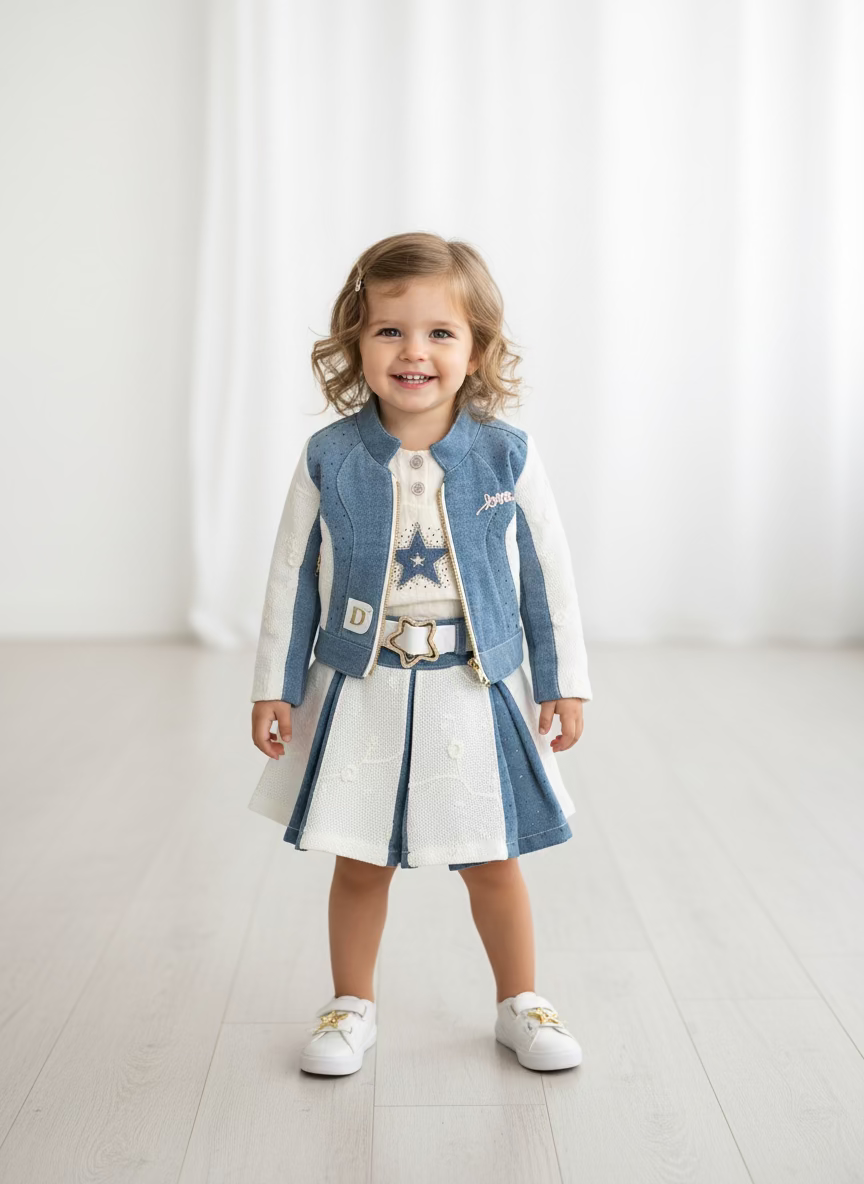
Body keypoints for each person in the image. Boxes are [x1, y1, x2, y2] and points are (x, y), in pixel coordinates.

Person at [248, 231, 592, 1077]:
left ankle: (521, 1001)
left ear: (477, 349)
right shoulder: (330, 456)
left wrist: (562, 682)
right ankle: (349, 1005)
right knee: (362, 860)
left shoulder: (507, 453)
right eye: (389, 330)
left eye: (440, 332)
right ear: (355, 343)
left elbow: (546, 568)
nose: (414, 351)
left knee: (493, 858)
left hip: (474, 688)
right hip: (363, 684)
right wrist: (275, 687)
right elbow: (292, 573)